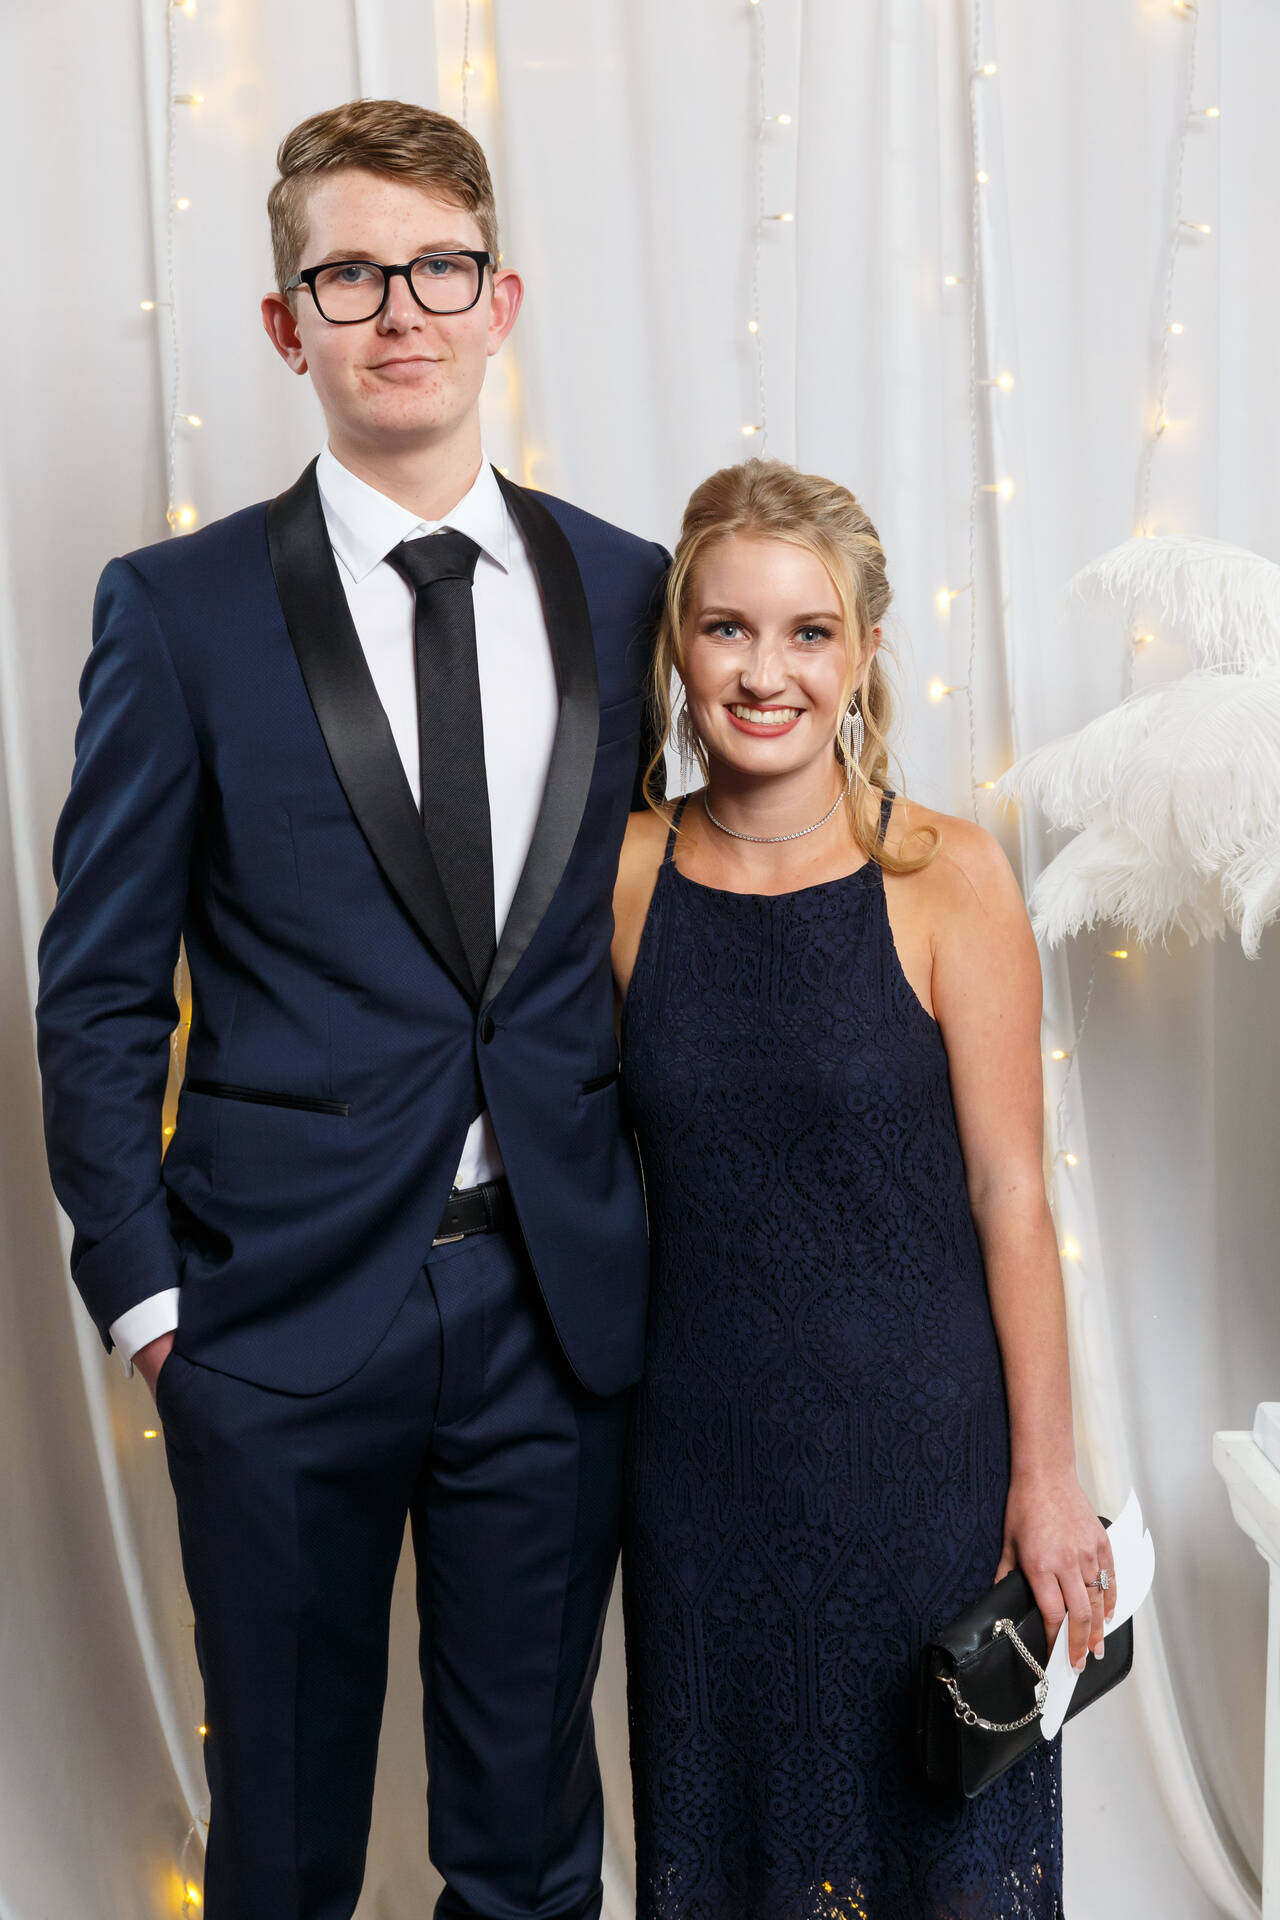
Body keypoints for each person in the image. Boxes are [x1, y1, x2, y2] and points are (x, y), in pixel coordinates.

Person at [36, 99, 667, 1920]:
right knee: (289, 1854)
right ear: (284, 320)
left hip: (553, 1310)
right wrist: (154, 1309)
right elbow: (98, 989)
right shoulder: (178, 612)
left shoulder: (630, 590)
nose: (402, 310)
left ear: (501, 300)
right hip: (272, 1319)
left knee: (532, 1853)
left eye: (441, 268)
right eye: (351, 275)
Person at [611, 460, 1116, 1919]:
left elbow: (1011, 1190)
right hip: (700, 1464)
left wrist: (1047, 1478)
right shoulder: (623, 876)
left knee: (938, 1850)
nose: (764, 673)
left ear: (866, 651)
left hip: (923, 1467)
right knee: (731, 1846)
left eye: (808, 632)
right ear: (679, 645)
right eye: (726, 629)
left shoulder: (947, 873)